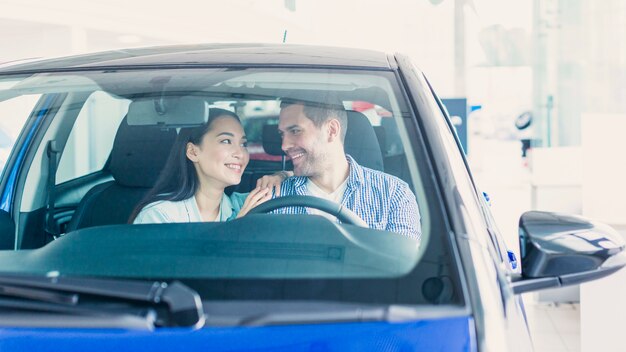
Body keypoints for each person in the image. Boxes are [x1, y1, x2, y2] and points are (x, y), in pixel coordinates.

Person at [275, 99, 421, 241]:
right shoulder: (273, 196)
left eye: (295, 131)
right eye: (282, 134)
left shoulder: (394, 196)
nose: (284, 145)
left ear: (331, 130)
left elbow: (401, 263)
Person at [131, 108, 282, 224]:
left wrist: (281, 175)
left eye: (243, 144)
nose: (240, 153)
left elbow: (304, 182)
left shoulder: (248, 204)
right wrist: (236, 229)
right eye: (226, 141)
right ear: (192, 151)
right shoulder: (160, 216)